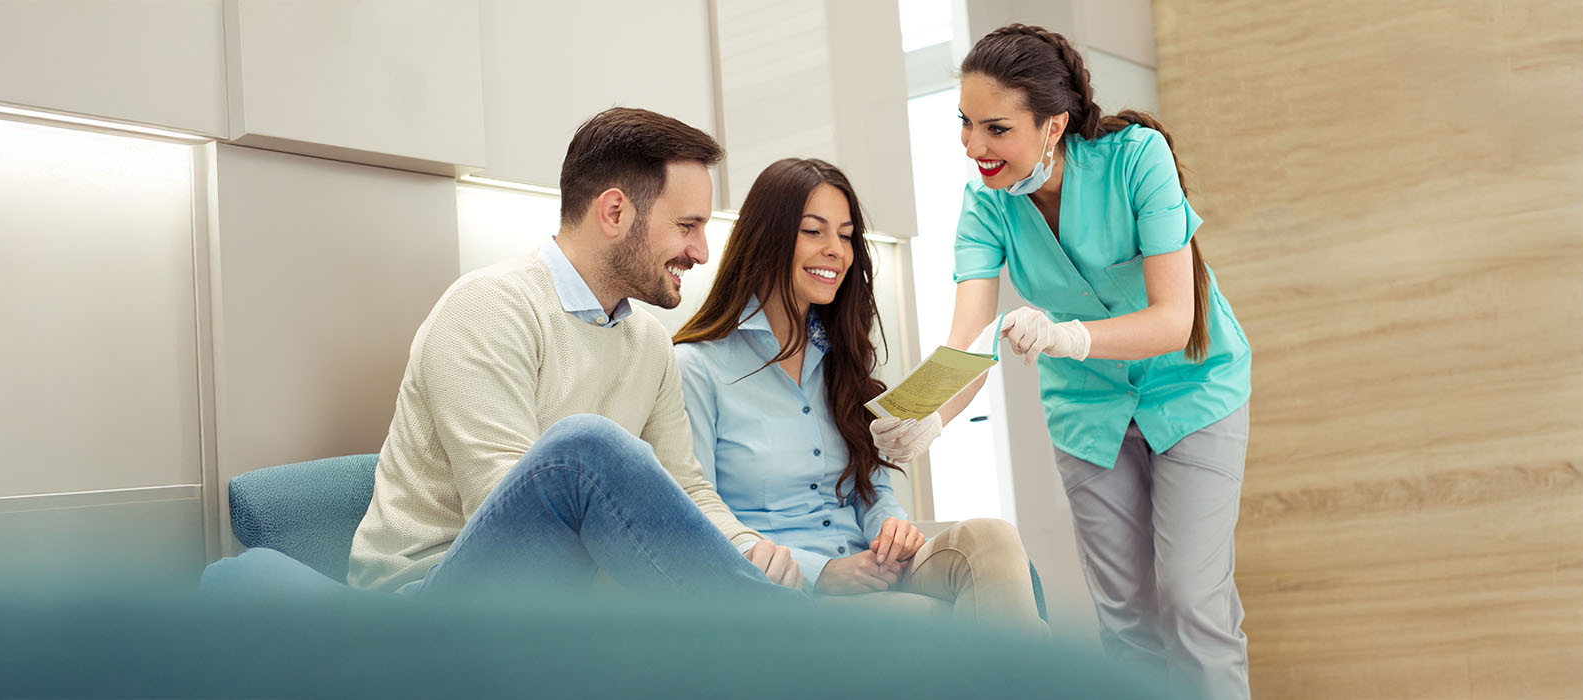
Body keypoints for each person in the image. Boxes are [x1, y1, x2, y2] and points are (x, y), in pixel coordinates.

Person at [872, 24, 1255, 698]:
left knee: (1192, 598)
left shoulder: (1138, 158)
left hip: (1194, 392)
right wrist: (925, 418)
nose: (974, 147)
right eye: (965, 124)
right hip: (1089, 416)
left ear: (1053, 125)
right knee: (1127, 620)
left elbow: (1175, 318)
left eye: (996, 128)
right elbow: (967, 337)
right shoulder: (985, 205)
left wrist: (1069, 337)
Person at [345, 107, 807, 604]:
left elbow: (688, 490)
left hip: (555, 608)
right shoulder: (487, 307)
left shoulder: (650, 343)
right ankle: (781, 635)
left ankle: (774, 633)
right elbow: (513, 517)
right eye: (687, 225)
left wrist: (745, 547)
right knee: (583, 448)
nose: (701, 252)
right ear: (614, 212)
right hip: (424, 600)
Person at [671, 158, 1043, 632]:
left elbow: (872, 490)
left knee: (994, 538)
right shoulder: (696, 368)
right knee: (928, 621)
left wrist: (891, 528)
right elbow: (698, 520)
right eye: (814, 231)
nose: (836, 251)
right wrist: (821, 575)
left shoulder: (842, 357)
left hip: (876, 569)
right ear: (767, 236)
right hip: (786, 596)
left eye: (845, 236)